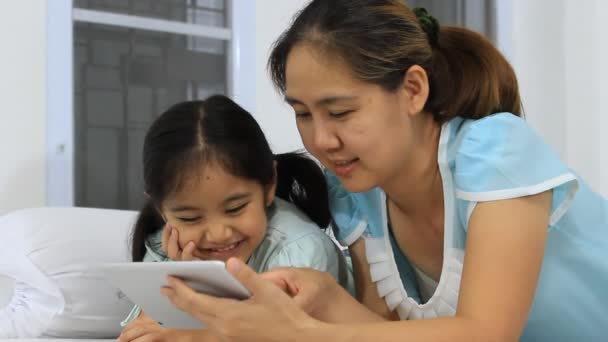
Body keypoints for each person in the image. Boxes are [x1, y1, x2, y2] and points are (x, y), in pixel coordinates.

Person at [160, 1, 608, 341]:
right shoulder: (357, 194)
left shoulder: (494, 154)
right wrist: (325, 296)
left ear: (412, 90)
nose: (320, 141)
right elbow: (380, 332)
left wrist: (301, 332)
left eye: (340, 111)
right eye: (303, 114)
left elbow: (485, 333)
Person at [117, 95, 353, 342]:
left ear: (269, 183)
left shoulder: (298, 249)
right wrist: (181, 278)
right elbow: (142, 330)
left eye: (235, 208)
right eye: (191, 217)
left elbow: (293, 334)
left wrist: (191, 333)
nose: (218, 233)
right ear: (160, 209)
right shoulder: (168, 244)